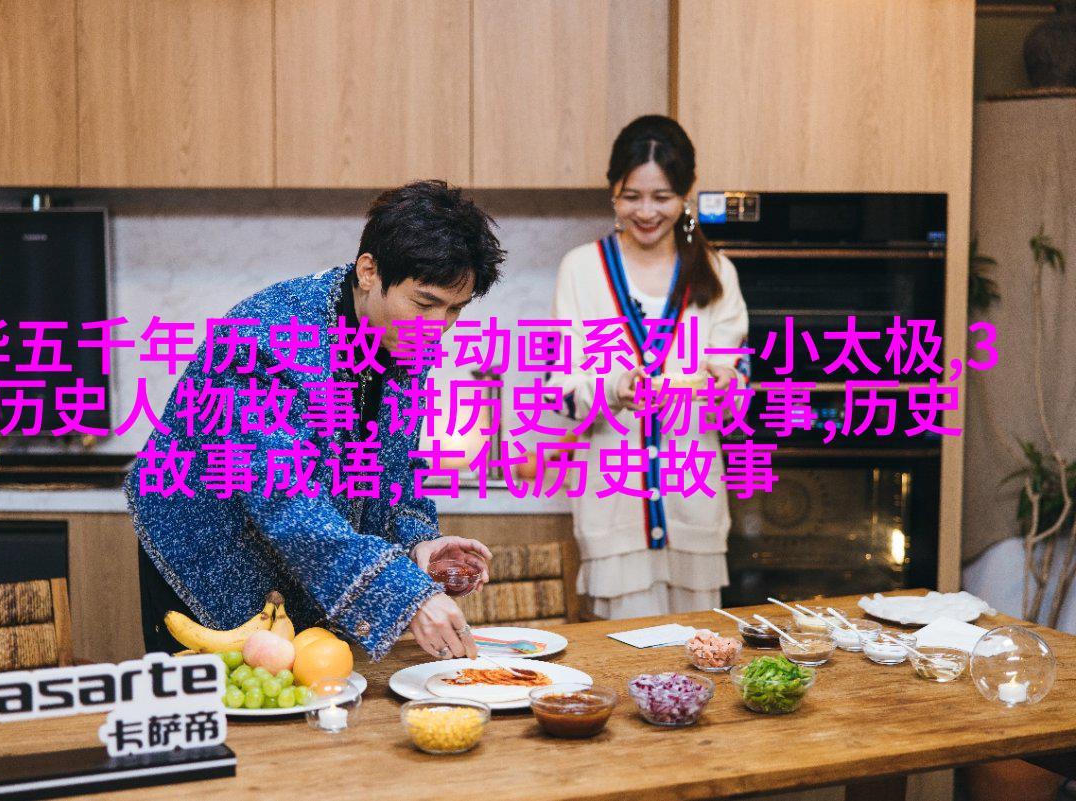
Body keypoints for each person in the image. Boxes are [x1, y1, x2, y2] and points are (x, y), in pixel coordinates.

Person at [126, 180, 505, 661]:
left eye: (454, 310)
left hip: (299, 556)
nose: (437, 327)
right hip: (206, 551)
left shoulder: (407, 338)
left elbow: (393, 468)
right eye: (425, 303)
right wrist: (404, 591)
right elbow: (285, 499)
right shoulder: (264, 339)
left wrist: (420, 543)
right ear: (369, 271)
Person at [548, 115, 749, 619]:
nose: (645, 211)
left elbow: (736, 402)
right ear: (612, 190)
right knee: (625, 657)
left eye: (662, 197)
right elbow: (560, 394)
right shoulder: (581, 269)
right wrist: (613, 388)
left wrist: (727, 386)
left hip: (695, 513)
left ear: (686, 193)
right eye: (631, 196)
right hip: (612, 515)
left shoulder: (717, 272)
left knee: (700, 656)